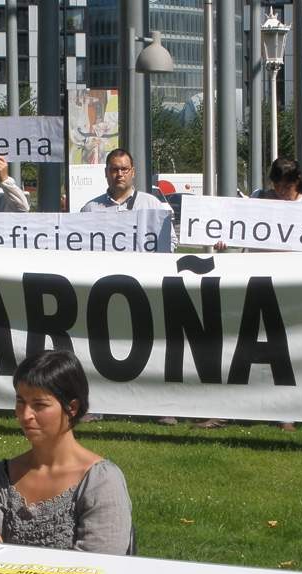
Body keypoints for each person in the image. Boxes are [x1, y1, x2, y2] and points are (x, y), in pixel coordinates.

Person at [0, 350, 133, 554]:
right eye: (21, 402)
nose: (26, 415)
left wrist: (6, 556)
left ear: (72, 407)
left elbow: (97, 567)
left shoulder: (101, 481)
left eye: (39, 405)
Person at [205, 157, 302, 431]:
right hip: (255, 287)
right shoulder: (257, 200)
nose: (280, 193)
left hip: (290, 290)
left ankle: (286, 413)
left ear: (296, 182)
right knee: (239, 351)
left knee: (284, 354)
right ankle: (228, 409)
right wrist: (224, 240)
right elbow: (236, 229)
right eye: (276, 186)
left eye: (285, 187)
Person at [81, 148, 177, 423]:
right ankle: (95, 405)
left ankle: (161, 408)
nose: (119, 174)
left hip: (144, 292)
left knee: (153, 350)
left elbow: (170, 244)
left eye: (124, 169)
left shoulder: (153, 206)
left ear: (133, 172)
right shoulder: (91, 209)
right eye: (114, 169)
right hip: (103, 291)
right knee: (98, 349)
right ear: (106, 173)